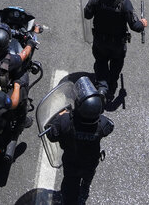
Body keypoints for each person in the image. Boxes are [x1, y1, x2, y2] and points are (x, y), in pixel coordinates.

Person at [45, 76, 114, 205]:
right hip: (90, 162)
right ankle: (85, 186)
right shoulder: (102, 124)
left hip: (71, 162)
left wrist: (58, 118)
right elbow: (110, 127)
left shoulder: (64, 121)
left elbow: (52, 136)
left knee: (69, 188)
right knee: (88, 176)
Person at [82, 0, 146, 99]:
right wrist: (143, 23)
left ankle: (102, 87)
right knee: (116, 64)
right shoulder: (125, 4)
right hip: (117, 44)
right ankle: (111, 86)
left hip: (99, 41)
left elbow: (87, 15)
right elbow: (135, 26)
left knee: (101, 62)